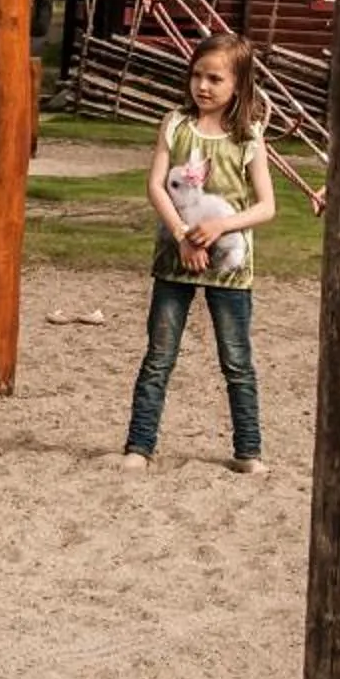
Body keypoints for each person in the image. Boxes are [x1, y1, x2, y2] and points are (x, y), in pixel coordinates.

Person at [122, 33, 277, 474]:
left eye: (215, 78)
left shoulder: (248, 136)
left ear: (238, 85)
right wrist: (183, 234)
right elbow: (156, 185)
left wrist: (219, 226)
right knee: (159, 356)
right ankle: (140, 445)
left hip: (229, 272)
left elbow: (266, 206)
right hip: (176, 263)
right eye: (197, 75)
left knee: (237, 360)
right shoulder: (175, 124)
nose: (203, 86)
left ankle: (248, 450)